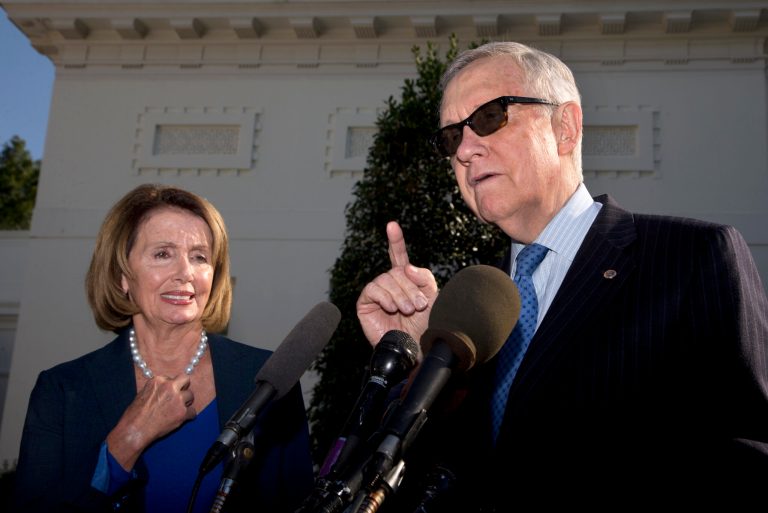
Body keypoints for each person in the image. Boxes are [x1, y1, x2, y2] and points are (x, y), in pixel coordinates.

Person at [356, 42, 768, 510]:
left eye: (490, 116)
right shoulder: (470, 313)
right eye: (452, 137)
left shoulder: (691, 259)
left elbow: (745, 466)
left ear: (565, 127)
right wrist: (416, 363)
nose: (466, 150)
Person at [14, 184, 314, 513]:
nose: (185, 273)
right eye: (162, 254)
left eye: (200, 257)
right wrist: (128, 439)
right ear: (121, 277)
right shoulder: (62, 390)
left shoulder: (268, 379)